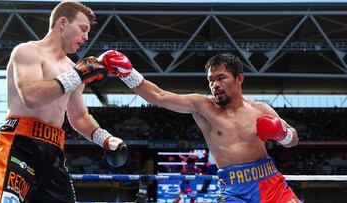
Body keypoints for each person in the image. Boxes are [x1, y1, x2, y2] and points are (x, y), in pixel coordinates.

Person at [98, 50, 301, 202]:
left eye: (221, 78)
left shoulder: (260, 109)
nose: (215, 85)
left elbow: (293, 139)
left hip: (271, 185)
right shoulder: (203, 107)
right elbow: (159, 96)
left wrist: (283, 134)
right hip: (233, 190)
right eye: (211, 80)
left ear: (239, 79)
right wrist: (127, 73)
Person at [0, 2, 127, 203]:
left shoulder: (73, 69)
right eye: (83, 29)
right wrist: (77, 75)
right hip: (18, 146)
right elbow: (31, 96)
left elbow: (79, 117)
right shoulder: (27, 51)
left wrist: (106, 139)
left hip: (54, 155)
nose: (86, 37)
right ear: (63, 23)